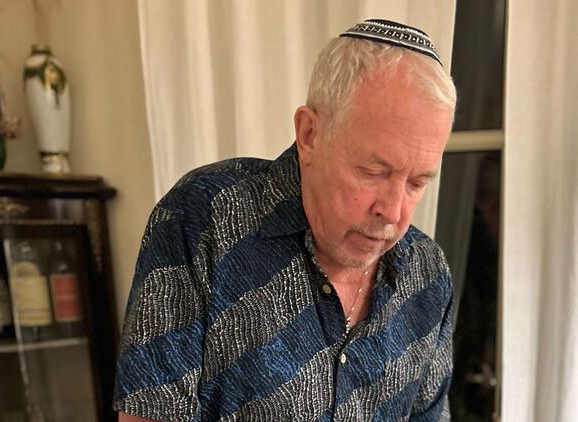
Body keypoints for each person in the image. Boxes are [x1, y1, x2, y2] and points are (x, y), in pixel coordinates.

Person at [114, 19, 457, 422]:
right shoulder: (205, 219)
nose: (394, 212)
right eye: (373, 171)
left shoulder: (427, 275)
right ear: (309, 134)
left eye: (417, 183)